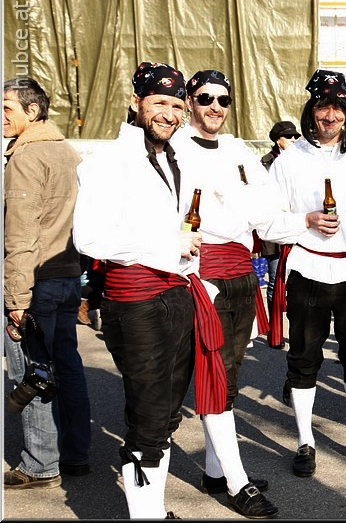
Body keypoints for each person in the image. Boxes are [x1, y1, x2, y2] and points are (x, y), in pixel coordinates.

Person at [73, 61, 200, 519]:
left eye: (177, 106)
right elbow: (89, 239)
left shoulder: (175, 158)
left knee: (167, 415)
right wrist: (169, 244)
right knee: (148, 418)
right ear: (136, 102)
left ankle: (153, 510)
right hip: (135, 302)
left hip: (177, 295)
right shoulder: (106, 162)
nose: (169, 114)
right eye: (159, 103)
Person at [260, 69, 346, 478]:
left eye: (339, 107)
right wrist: (304, 220)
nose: (330, 115)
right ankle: (305, 441)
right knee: (304, 357)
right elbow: (267, 221)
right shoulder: (289, 160)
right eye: (323, 106)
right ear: (311, 110)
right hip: (308, 269)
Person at [169, 69, 278, 518]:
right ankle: (236, 482)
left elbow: (267, 208)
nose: (215, 106)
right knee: (212, 377)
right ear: (189, 101)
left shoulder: (237, 150)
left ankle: (216, 471)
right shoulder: (174, 147)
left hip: (240, 273)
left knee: (228, 377)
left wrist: (234, 201)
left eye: (223, 100)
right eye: (205, 98)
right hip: (200, 274)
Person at [3, 76, 92, 488]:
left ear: (32, 110)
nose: (2, 116)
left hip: (36, 281)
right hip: (67, 277)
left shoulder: (26, 157)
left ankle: (41, 464)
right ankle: (75, 454)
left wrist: (15, 298)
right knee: (67, 366)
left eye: (7, 108)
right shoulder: (68, 152)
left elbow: (20, 234)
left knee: (33, 372)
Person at [260, 120, 301, 308]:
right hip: (274, 231)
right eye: (289, 136)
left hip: (299, 228)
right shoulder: (265, 163)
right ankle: (275, 325)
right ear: (278, 140)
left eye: (296, 136)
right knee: (276, 281)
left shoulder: (302, 162)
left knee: (297, 283)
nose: (293, 139)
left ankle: (295, 322)